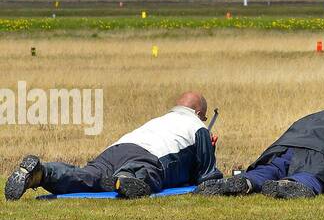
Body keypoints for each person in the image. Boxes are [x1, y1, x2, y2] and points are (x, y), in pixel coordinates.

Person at [5, 92, 220, 200]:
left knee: (86, 176)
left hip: (117, 149)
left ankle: (42, 172)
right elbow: (207, 177)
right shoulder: (196, 126)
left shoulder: (160, 120)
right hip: (146, 157)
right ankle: (126, 179)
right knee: (146, 173)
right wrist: (209, 150)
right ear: (200, 114)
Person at [200, 99, 324, 199]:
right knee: (312, 172)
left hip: (289, 147)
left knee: (273, 168)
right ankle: (289, 185)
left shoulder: (316, 116)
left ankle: (245, 181)